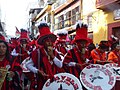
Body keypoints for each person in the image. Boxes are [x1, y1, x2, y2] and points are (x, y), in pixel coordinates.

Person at [26, 21, 63, 90]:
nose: (49, 43)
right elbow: (28, 65)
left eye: (51, 41)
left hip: (54, 82)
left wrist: (52, 56)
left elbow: (60, 65)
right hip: (41, 82)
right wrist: (37, 71)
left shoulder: (55, 52)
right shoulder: (37, 52)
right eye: (47, 41)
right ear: (43, 42)